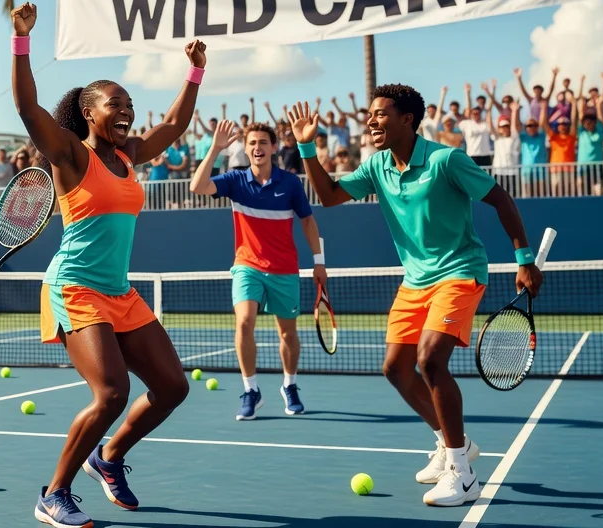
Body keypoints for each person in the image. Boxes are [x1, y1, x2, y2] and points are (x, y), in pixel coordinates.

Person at [288, 86, 542, 508]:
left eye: (380, 114)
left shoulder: (447, 160)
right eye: (369, 116)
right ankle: (450, 443)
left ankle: (463, 474)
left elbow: (499, 199)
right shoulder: (376, 167)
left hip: (460, 271)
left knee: (429, 359)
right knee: (395, 368)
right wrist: (305, 146)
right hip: (415, 280)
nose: (371, 122)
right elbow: (330, 198)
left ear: (407, 119)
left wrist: (524, 259)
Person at [9, 1, 196, 528]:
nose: (126, 110)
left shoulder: (130, 156)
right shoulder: (69, 153)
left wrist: (195, 69)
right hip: (75, 287)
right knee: (112, 391)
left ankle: (107, 457)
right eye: (115, 103)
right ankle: (54, 493)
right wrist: (21, 40)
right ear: (90, 114)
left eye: (130, 103)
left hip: (119, 291)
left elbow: (177, 123)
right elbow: (27, 109)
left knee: (173, 388)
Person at [189, 119, 325, 420]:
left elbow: (307, 220)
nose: (257, 147)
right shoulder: (235, 180)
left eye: (263, 142)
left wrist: (319, 261)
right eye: (252, 143)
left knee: (287, 333)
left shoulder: (290, 183)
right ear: (246, 149)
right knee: (244, 322)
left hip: (284, 269)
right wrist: (215, 148)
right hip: (246, 265)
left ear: (273, 148)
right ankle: (251, 390)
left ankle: (289, 385)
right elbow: (197, 186)